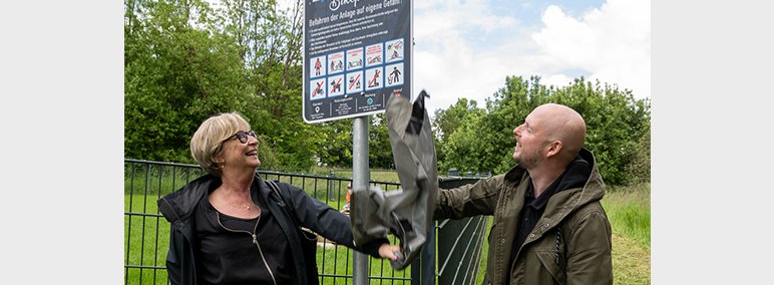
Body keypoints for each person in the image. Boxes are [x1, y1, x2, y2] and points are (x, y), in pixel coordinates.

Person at [158, 112, 400, 285]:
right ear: (217, 155)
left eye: (251, 133)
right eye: (241, 137)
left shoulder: (282, 197)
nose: (253, 140)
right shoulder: (190, 215)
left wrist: (379, 246)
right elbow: (180, 275)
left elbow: (328, 220)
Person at [434, 103, 613, 284]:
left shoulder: (587, 220)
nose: (516, 130)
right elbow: (451, 201)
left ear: (552, 148)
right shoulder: (509, 186)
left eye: (528, 129)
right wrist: (407, 202)